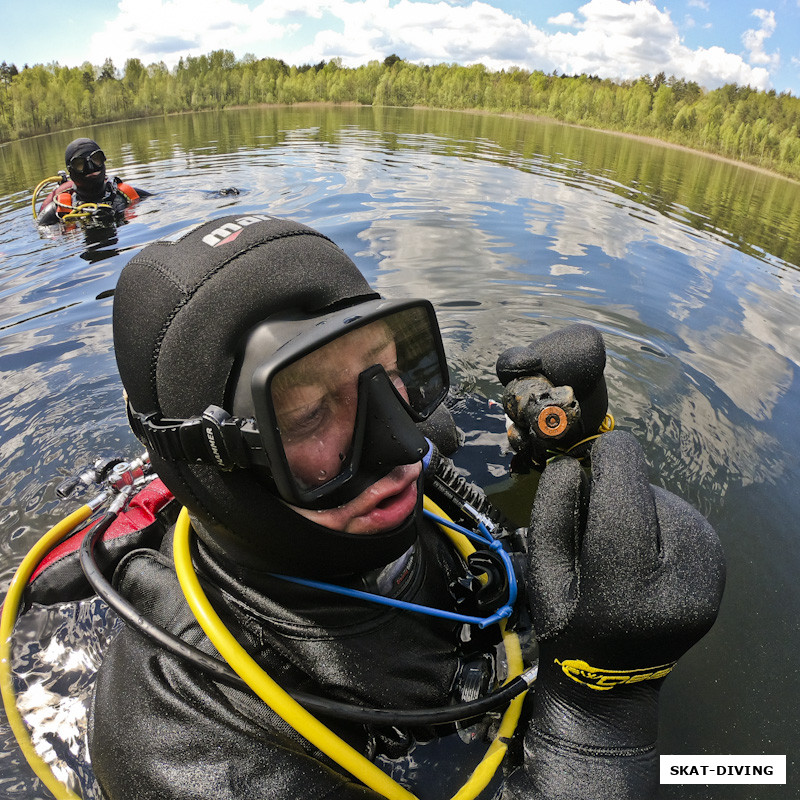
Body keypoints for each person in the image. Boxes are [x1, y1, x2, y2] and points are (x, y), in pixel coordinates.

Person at [89, 213, 725, 799]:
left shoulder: (408, 465)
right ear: (208, 463)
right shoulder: (183, 741)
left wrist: (572, 446)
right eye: (309, 413)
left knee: (738, 775)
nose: (401, 442)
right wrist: (600, 728)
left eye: (386, 373)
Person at [36, 137, 149, 226]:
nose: (90, 167)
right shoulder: (60, 210)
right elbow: (43, 234)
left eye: (96, 159)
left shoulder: (126, 195)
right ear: (70, 171)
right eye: (80, 164)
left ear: (103, 160)